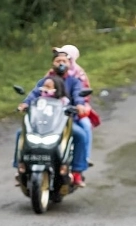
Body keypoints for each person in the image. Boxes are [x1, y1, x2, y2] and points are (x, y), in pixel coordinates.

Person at [15, 50, 89, 187]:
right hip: (42, 121)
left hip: (64, 120)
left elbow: (78, 96)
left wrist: (79, 105)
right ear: (52, 63)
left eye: (64, 61)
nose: (61, 63)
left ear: (69, 63)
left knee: (80, 135)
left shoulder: (74, 81)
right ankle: (20, 167)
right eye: (58, 61)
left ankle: (77, 172)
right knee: (20, 133)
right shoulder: (45, 80)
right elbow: (34, 95)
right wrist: (25, 104)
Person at [51, 45, 101, 168]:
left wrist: (80, 105)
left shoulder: (78, 75)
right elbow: (41, 90)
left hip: (75, 110)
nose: (61, 61)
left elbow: (81, 93)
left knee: (85, 126)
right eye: (58, 58)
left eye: (64, 58)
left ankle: (84, 158)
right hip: (54, 110)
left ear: (70, 59)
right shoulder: (52, 73)